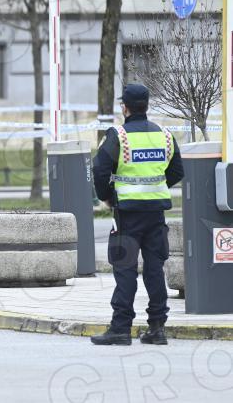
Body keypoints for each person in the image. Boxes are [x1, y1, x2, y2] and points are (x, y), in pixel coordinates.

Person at [91, 84, 184, 345]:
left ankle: (121, 329)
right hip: (156, 214)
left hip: (127, 215)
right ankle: (157, 329)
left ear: (125, 107)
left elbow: (99, 170)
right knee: (155, 270)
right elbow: (177, 171)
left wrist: (107, 196)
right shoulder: (165, 135)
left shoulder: (118, 136)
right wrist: (156, 186)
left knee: (125, 270)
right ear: (146, 105)